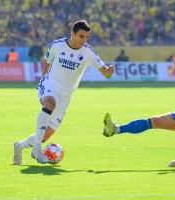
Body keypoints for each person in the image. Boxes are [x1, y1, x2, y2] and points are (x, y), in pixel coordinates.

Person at [13, 19, 114, 165]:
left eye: (87, 37)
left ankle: (20, 146)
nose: (83, 40)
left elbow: (105, 72)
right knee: (49, 104)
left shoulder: (88, 52)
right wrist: (43, 81)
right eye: (81, 36)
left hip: (66, 95)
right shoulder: (57, 46)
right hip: (50, 85)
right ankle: (36, 149)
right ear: (72, 33)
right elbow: (47, 62)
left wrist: (109, 71)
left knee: (46, 134)